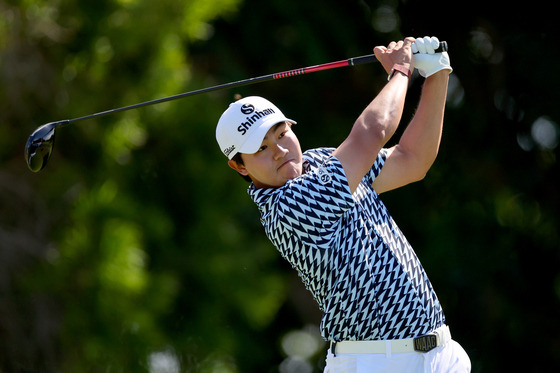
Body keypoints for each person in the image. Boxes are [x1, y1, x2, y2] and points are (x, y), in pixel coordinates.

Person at [215, 36, 471, 372]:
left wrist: (438, 73)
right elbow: (372, 131)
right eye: (260, 148)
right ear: (240, 166)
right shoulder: (288, 207)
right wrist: (400, 72)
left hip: (441, 354)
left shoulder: (321, 160)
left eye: (279, 133)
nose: (278, 150)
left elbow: (412, 160)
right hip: (376, 363)